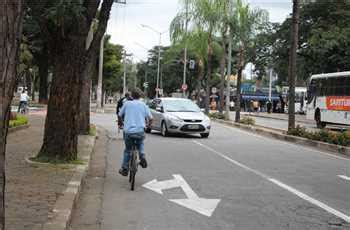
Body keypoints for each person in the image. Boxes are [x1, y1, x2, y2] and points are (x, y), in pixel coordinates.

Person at [118, 88, 153, 176]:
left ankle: (125, 168)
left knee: (128, 150)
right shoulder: (143, 105)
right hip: (140, 131)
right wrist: (148, 125)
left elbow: (119, 115)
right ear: (140, 96)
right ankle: (142, 156)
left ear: (131, 96)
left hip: (128, 132)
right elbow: (151, 118)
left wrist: (120, 123)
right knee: (140, 143)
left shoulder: (127, 104)